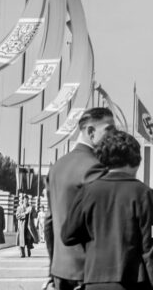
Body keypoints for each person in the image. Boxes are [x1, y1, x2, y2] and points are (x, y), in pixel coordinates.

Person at [61, 130, 153, 290]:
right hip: (133, 281)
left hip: (94, 279)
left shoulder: (87, 191)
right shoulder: (145, 194)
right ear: (135, 160)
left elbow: (68, 235)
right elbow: (151, 249)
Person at [45, 107, 115, 290]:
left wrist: (52, 267)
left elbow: (49, 222)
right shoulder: (96, 168)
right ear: (91, 132)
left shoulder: (57, 167)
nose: (114, 135)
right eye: (109, 129)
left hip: (61, 269)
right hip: (87, 271)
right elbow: (104, 224)